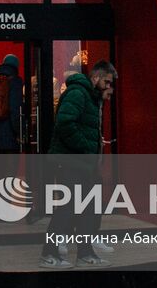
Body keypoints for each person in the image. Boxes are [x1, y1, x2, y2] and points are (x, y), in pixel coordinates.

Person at [40, 59, 117, 268]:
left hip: (82, 163)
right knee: (68, 208)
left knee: (87, 208)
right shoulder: (78, 94)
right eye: (107, 82)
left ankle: (84, 252)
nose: (109, 87)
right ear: (96, 77)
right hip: (70, 162)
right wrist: (86, 147)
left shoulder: (91, 98)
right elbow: (65, 123)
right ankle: (49, 253)